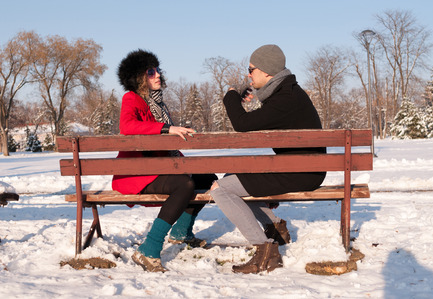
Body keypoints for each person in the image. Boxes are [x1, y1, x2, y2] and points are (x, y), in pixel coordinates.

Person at [210, 44, 326, 274]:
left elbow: (242, 124)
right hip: (300, 168)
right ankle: (274, 227)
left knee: (220, 189)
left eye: (251, 69)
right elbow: (264, 118)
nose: (248, 74)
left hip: (300, 173)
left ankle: (265, 250)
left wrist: (231, 97)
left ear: (267, 72)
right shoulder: (288, 93)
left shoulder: (286, 99)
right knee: (230, 178)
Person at [113, 49, 216, 272]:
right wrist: (166, 128)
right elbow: (127, 126)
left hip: (158, 167)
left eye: (158, 70)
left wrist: (188, 165)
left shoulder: (157, 104)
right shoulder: (131, 98)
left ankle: (181, 233)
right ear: (138, 77)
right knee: (185, 184)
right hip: (139, 173)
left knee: (205, 178)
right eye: (151, 72)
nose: (158, 75)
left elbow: (168, 149)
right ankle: (149, 248)